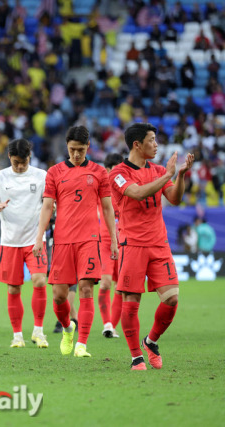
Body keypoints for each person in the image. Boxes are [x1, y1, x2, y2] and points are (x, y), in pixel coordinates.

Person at [109, 122, 194, 370]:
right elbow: (137, 193)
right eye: (152, 140)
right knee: (131, 301)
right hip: (132, 244)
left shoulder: (158, 170)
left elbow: (175, 199)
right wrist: (168, 175)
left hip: (158, 243)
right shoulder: (118, 173)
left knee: (171, 298)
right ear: (137, 144)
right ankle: (136, 357)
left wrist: (180, 176)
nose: (156, 145)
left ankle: (151, 341)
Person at [33, 126, 118, 358]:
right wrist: (40, 237)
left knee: (85, 288)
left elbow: (108, 208)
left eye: (81, 150)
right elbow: (47, 207)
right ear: (66, 147)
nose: (77, 154)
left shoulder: (99, 172)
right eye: (72, 150)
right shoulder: (54, 172)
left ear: (88, 146)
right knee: (59, 296)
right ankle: (68, 329)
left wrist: (113, 239)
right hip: (61, 241)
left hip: (89, 240)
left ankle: (81, 344)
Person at [0, 138, 49, 349]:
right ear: (9, 158)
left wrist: (51, 211)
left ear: (29, 157)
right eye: (15, 162)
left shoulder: (41, 176)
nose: (20, 166)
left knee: (39, 281)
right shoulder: (0, 177)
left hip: (35, 240)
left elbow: (48, 205)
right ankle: (17, 335)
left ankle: (39, 331)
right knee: (14, 289)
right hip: (10, 241)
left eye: (23, 162)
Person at [98, 153, 124, 339]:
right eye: (114, 170)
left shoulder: (126, 189)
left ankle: (112, 327)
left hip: (125, 242)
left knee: (121, 287)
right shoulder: (100, 188)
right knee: (105, 283)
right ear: (107, 170)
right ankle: (107, 323)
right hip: (105, 241)